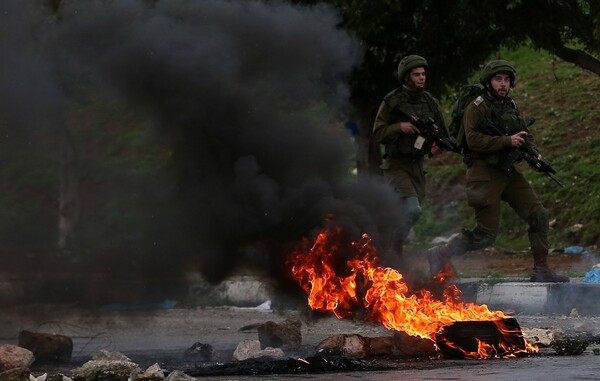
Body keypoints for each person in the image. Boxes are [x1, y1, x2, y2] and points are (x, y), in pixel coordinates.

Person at [425, 59, 569, 283]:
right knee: (485, 236)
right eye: (498, 79)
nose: (503, 84)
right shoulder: (476, 107)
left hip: (508, 173)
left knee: (538, 216)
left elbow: (523, 133)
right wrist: (507, 141)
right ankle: (440, 253)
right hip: (483, 174)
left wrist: (533, 154)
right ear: (488, 82)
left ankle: (541, 269)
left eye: (506, 80)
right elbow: (472, 140)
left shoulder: (510, 105)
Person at [372, 54, 448, 273]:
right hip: (395, 166)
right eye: (417, 74)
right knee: (413, 210)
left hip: (417, 166)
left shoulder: (429, 102)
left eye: (424, 74)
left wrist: (436, 147)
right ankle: (391, 249)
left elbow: (441, 134)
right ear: (406, 77)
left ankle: (389, 251)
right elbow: (377, 134)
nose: (422, 78)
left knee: (399, 214)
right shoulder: (393, 101)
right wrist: (400, 127)